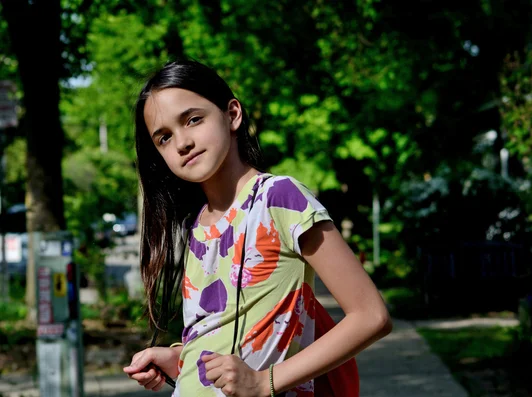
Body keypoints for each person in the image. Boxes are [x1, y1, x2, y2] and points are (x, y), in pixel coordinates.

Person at [123, 59, 392, 396]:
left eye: (193, 120)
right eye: (163, 138)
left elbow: (371, 316)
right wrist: (179, 358)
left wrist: (263, 382)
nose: (181, 143)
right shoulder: (198, 227)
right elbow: (229, 339)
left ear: (232, 114)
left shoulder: (279, 198)